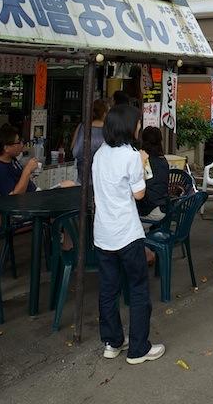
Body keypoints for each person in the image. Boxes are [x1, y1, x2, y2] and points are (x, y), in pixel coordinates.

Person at [91, 104, 165, 364]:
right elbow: (139, 194)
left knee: (108, 289)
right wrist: (143, 162)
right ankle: (138, 348)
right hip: (127, 234)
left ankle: (112, 343)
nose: (138, 127)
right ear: (128, 126)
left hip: (102, 234)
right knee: (137, 288)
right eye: (136, 123)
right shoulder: (131, 155)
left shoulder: (100, 153)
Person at [70, 99, 108, 183]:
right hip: (103, 178)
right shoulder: (109, 129)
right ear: (105, 114)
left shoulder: (82, 126)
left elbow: (74, 150)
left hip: (82, 176)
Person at [0, 124, 38, 196]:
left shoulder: (12, 158)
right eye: (18, 142)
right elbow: (13, 197)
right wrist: (27, 170)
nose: (21, 144)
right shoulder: (1, 170)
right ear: (6, 148)